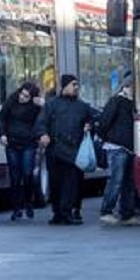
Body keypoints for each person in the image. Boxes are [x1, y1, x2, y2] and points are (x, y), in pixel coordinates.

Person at [35, 74, 95, 225]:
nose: (76, 88)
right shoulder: (51, 105)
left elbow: (92, 120)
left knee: (72, 182)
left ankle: (68, 211)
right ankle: (57, 213)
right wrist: (42, 134)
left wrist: (89, 126)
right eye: (73, 85)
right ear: (65, 86)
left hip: (74, 151)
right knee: (55, 183)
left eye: (77, 85)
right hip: (55, 150)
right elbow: (41, 122)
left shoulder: (82, 106)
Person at [97, 72, 140, 226]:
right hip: (117, 146)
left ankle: (126, 213)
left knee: (128, 182)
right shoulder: (117, 101)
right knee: (115, 180)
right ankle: (106, 211)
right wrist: (107, 138)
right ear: (128, 86)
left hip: (130, 147)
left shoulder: (135, 104)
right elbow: (103, 122)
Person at [0, 82, 42, 221]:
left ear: (32, 97)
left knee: (28, 173)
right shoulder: (12, 100)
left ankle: (28, 202)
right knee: (15, 176)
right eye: (22, 94)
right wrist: (2, 134)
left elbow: (45, 119)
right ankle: (16, 208)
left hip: (29, 143)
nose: (22, 97)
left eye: (26, 96)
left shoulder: (36, 107)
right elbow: (1, 118)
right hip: (12, 143)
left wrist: (43, 104)